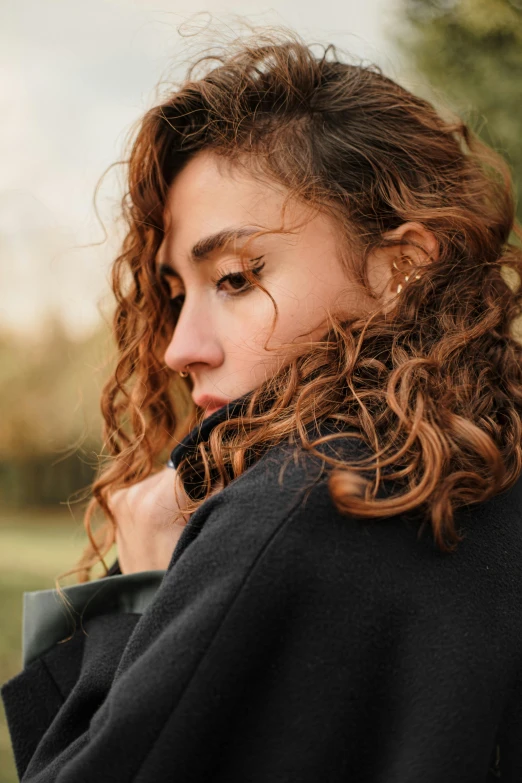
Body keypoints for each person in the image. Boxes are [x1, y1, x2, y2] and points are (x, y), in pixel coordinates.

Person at [2, 28, 522, 782]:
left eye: (239, 277)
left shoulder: (294, 508)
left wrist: (136, 600)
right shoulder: (489, 474)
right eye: (177, 294)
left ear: (400, 268)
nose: (181, 347)